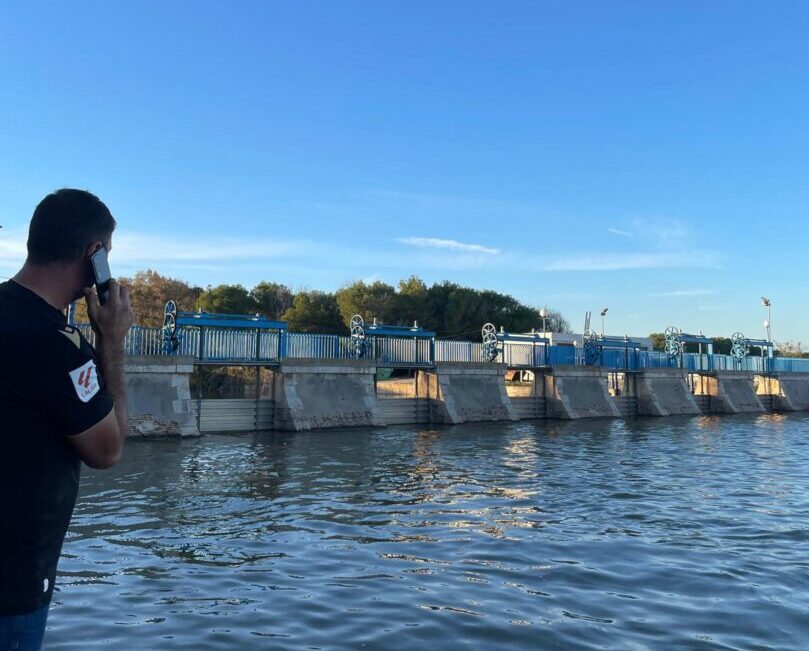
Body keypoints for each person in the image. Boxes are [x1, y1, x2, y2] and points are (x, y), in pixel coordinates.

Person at [0, 189, 133, 650]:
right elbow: (108, 448)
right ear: (93, 254)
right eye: (107, 256)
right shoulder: (56, 347)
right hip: (12, 584)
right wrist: (111, 341)